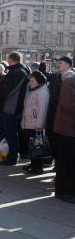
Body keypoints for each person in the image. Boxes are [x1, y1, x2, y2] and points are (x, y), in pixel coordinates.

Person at [0, 52, 29, 165]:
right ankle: (2, 154)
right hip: (7, 107)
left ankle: (11, 158)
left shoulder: (18, 72)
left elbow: (6, 89)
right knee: (3, 132)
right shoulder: (16, 71)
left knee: (10, 134)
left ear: (11, 59)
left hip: (10, 107)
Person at [45, 56, 73, 167]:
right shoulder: (56, 76)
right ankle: (51, 158)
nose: (58, 65)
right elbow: (44, 77)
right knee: (51, 136)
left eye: (60, 63)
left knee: (60, 140)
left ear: (68, 65)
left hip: (63, 115)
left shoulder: (70, 78)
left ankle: (59, 164)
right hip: (52, 113)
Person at [20, 71, 49, 174]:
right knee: (33, 146)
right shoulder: (35, 90)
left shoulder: (42, 92)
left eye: (32, 81)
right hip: (30, 123)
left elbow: (43, 110)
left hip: (35, 125)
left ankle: (37, 168)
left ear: (38, 81)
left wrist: (39, 125)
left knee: (37, 147)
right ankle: (33, 164)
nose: (30, 82)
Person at [54, 74, 75, 203]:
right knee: (66, 163)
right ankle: (63, 191)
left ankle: (70, 190)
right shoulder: (69, 83)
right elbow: (69, 105)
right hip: (67, 131)